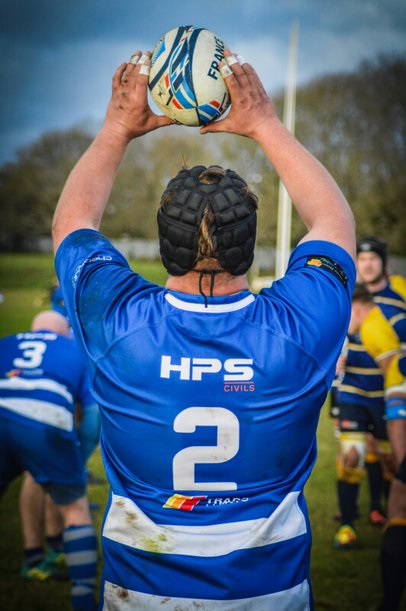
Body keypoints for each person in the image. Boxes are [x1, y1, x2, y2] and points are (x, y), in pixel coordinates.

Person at [52, 50, 356, 609]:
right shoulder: (298, 328)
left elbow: (73, 225)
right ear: (250, 244)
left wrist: (117, 128)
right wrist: (264, 124)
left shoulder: (118, 323)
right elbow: (334, 223)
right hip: (269, 595)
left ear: (164, 241)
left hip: (141, 594)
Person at [0, 310, 99, 610]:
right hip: (43, 419)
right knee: (75, 508)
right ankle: (83, 598)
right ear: (64, 332)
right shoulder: (75, 350)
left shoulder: (6, 343)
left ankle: (35, 557)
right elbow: (93, 419)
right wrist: (77, 461)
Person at [349, 284, 406, 611]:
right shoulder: (378, 319)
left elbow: (393, 371)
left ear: (356, 308)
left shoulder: (372, 327)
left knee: (399, 499)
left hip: (395, 400)